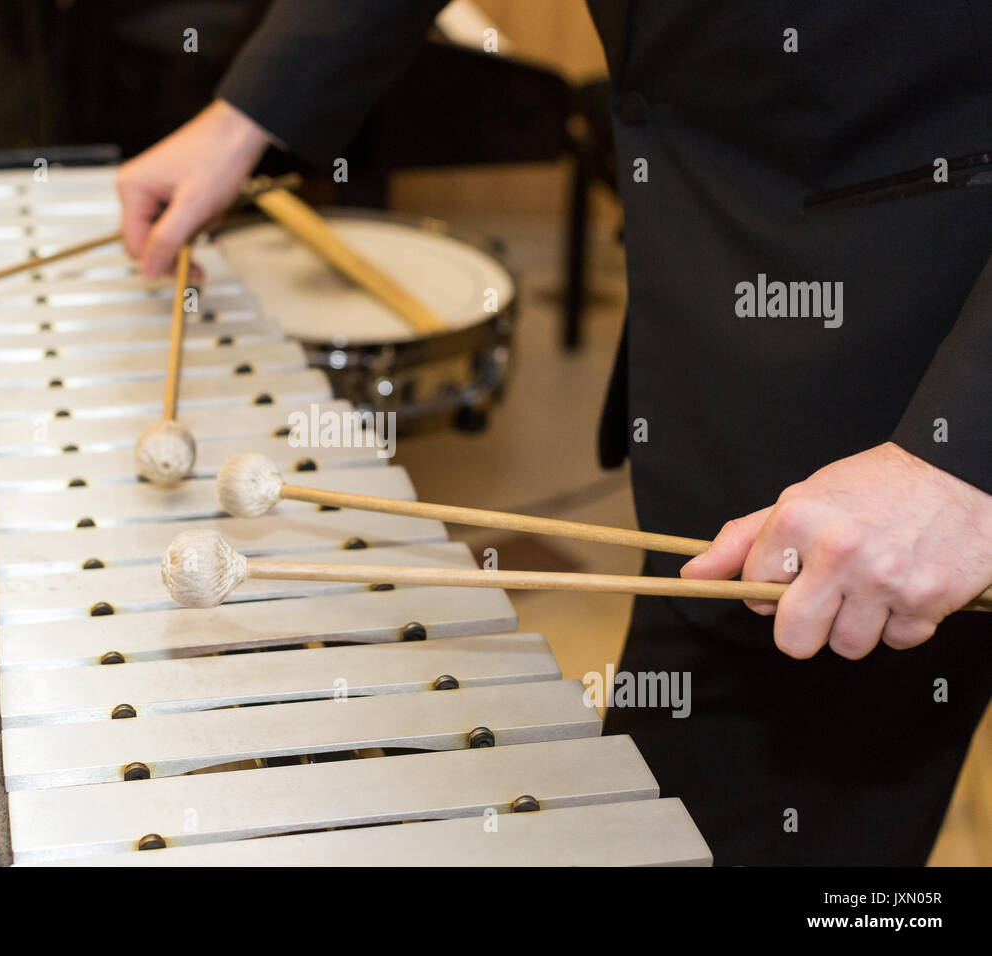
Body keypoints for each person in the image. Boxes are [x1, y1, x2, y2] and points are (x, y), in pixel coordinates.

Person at [114, 1, 992, 865]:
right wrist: (249, 114)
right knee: (658, 817)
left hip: (906, 397)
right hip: (709, 374)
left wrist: (960, 464)